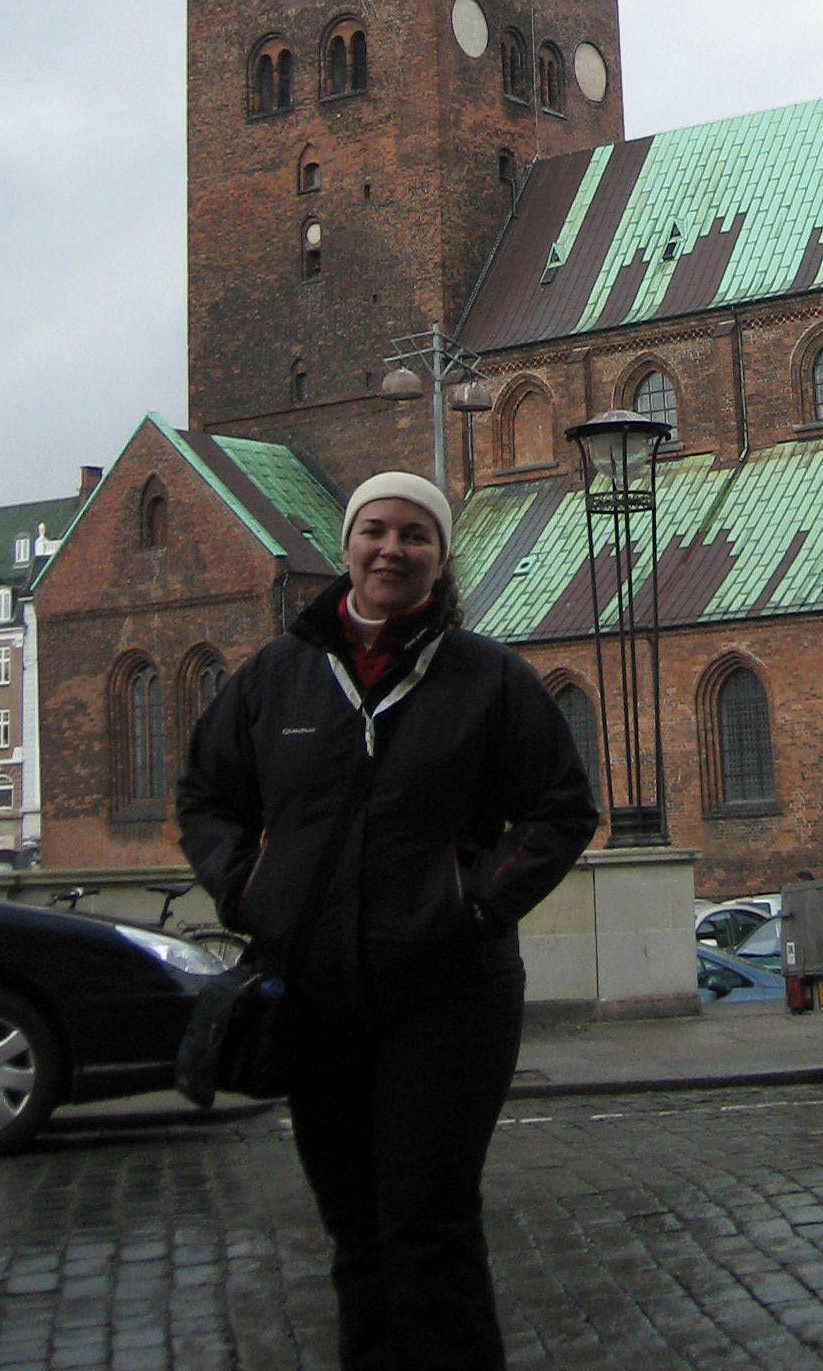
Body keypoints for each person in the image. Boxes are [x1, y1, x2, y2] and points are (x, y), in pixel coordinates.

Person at [178, 469, 597, 1371]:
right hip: (317, 993)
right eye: (375, 531)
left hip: (447, 992)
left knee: (428, 1228)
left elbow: (561, 807)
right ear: (346, 547)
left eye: (415, 535)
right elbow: (207, 795)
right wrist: (247, 890)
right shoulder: (277, 676)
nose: (391, 550)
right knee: (354, 1232)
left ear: (443, 559)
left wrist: (475, 903)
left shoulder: (487, 677)